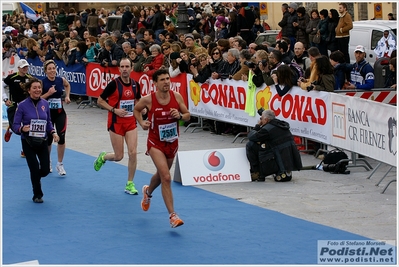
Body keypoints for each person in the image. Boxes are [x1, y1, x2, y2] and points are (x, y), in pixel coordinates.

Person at [133, 69, 190, 228]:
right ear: (155, 83)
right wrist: (141, 122)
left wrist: (179, 116)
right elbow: (136, 109)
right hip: (155, 143)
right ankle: (173, 216)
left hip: (172, 143)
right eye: (162, 80)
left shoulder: (176, 97)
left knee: (160, 175)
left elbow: (187, 115)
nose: (166, 82)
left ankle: (148, 192)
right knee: (166, 177)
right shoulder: (149, 99)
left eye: (167, 79)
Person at [94, 58, 143, 195]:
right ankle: (103, 157)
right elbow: (100, 100)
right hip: (116, 122)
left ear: (131, 68)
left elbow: (138, 99)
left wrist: (141, 109)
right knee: (119, 156)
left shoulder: (135, 84)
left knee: (133, 153)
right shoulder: (113, 84)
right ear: (119, 69)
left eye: (127, 66)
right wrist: (114, 110)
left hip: (130, 122)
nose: (125, 69)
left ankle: (130, 183)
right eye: (122, 66)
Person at [12, 77, 60, 203]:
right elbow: (15, 125)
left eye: (39, 88)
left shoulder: (45, 104)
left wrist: (53, 132)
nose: (37, 90)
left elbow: (48, 121)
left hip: (42, 140)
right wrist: (23, 129)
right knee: (33, 167)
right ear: (29, 90)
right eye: (34, 88)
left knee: (45, 169)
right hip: (28, 141)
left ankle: (35, 177)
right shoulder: (22, 106)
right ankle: (37, 194)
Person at [246, 109, 302, 182]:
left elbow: (251, 137)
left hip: (277, 154)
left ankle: (257, 172)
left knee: (250, 145)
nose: (260, 120)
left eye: (261, 118)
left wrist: (258, 125)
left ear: (266, 120)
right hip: (288, 156)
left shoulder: (267, 129)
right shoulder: (281, 124)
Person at [41, 60, 71, 175]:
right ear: (45, 71)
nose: (52, 70)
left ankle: (60, 164)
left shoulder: (60, 80)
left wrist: (67, 96)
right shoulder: (43, 83)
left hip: (60, 114)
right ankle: (48, 161)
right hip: (47, 116)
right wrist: (48, 94)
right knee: (48, 140)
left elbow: (67, 85)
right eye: (50, 69)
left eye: (54, 68)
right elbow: (38, 99)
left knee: (62, 138)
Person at [3, 59, 33, 151]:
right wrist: (5, 99)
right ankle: (11, 129)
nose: (25, 69)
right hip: (14, 105)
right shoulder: (12, 77)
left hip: (26, 106)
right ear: (19, 68)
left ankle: (25, 149)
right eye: (23, 67)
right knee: (16, 129)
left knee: (27, 127)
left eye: (26, 67)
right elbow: (2, 85)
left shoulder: (30, 78)